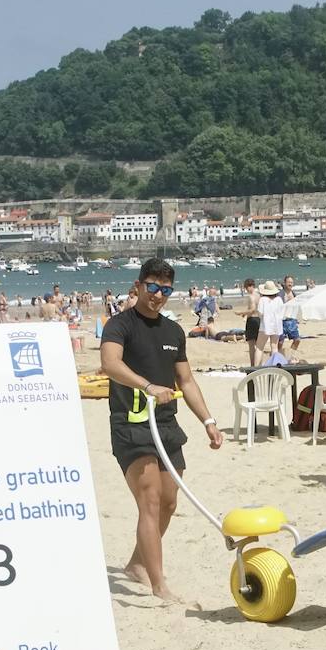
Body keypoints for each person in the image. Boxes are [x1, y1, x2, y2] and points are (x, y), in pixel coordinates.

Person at [99, 258, 223, 602]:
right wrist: (147, 386)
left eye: (165, 290)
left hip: (166, 423)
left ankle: (138, 564)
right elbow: (110, 364)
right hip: (131, 424)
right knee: (150, 500)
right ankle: (159, 585)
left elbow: (187, 380)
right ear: (138, 286)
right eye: (152, 287)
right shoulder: (120, 325)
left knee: (168, 502)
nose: (157, 295)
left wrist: (209, 422)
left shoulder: (173, 332)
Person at [255, 280, 284, 361]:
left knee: (259, 347)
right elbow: (282, 312)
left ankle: (256, 367)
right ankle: (275, 364)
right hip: (276, 325)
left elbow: (260, 313)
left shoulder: (263, 299)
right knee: (274, 347)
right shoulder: (279, 299)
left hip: (265, 325)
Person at [237, 277, 262, 365]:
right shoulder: (259, 295)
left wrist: (241, 312)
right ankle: (259, 364)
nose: (246, 290)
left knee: (251, 345)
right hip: (259, 319)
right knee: (259, 346)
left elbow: (252, 310)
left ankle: (253, 364)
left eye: (246, 287)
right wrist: (245, 314)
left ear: (249, 286)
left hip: (252, 320)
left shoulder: (251, 296)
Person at [279, 275, 302, 356]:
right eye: (288, 282)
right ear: (284, 283)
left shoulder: (294, 294)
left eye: (291, 282)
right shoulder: (280, 294)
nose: (290, 284)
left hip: (292, 320)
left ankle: (290, 355)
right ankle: (278, 356)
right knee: (280, 341)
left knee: (297, 340)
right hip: (282, 320)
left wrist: (298, 318)